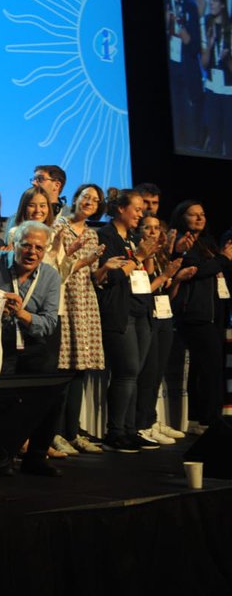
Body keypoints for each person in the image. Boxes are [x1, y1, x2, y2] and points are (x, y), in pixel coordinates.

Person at [0, 221, 63, 476]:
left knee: (52, 389)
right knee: (0, 400)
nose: (32, 252)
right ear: (13, 244)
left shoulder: (50, 275)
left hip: (32, 342)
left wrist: (23, 315)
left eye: (39, 248)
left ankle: (36, 457)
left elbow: (49, 322)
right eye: (26, 245)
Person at [94, 190, 155, 453]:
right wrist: (138, 256)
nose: (141, 214)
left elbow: (146, 272)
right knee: (126, 372)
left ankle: (131, 430)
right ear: (120, 209)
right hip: (120, 312)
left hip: (141, 310)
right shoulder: (106, 236)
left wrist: (147, 252)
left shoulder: (131, 237)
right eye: (137, 209)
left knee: (135, 373)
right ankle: (115, 431)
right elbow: (111, 278)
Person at [49, 184, 107, 454]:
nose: (90, 202)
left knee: (80, 369)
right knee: (63, 369)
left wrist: (106, 266)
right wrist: (76, 256)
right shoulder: (59, 225)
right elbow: (55, 262)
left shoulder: (93, 235)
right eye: (86, 197)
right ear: (75, 199)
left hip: (86, 301)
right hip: (65, 298)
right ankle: (55, 433)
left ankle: (72, 432)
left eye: (95, 200)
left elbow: (95, 275)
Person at [167, 200, 231, 435]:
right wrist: (223, 259)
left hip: (214, 313)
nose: (199, 218)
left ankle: (200, 417)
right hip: (194, 314)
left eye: (202, 214)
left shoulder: (206, 243)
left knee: (204, 368)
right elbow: (197, 271)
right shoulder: (181, 244)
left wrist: (222, 260)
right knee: (210, 368)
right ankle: (210, 419)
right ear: (182, 217)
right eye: (193, 215)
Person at [135, 213, 193, 446]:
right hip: (147, 316)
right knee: (147, 373)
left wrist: (176, 279)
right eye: (147, 228)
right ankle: (142, 424)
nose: (152, 232)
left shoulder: (160, 255)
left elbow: (168, 293)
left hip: (164, 315)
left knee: (157, 372)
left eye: (156, 228)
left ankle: (152, 419)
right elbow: (146, 288)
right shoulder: (140, 255)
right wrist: (167, 276)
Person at [165, 0, 203, 152]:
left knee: (188, 113)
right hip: (169, 67)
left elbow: (196, 45)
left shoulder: (190, 5)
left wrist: (186, 36)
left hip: (186, 67)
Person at [200, 0, 232, 155]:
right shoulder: (206, 23)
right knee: (214, 140)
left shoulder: (230, 26)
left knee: (229, 139)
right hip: (212, 91)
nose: (210, 3)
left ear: (223, 3)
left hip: (228, 93)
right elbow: (204, 64)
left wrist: (227, 59)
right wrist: (210, 45)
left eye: (214, 0)